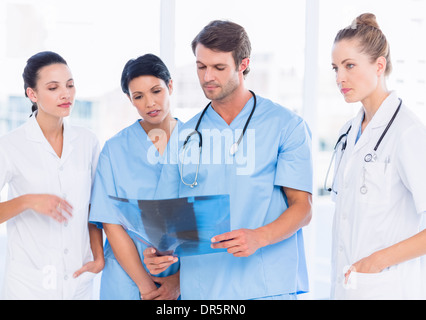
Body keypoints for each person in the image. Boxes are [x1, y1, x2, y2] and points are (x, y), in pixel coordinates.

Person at [144, 20, 313, 300]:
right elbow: (166, 220)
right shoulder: (184, 136)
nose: (207, 76)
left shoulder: (285, 126)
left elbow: (303, 208)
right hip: (203, 289)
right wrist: (159, 257)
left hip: (266, 286)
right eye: (201, 66)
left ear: (243, 64)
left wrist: (260, 237)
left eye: (219, 68)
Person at [0, 51, 104, 299]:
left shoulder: (87, 141)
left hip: (79, 280)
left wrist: (98, 255)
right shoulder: (7, 147)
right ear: (32, 94)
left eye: (70, 85)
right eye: (53, 87)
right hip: (29, 285)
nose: (66, 94)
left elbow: (94, 206)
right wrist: (27, 201)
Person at [329, 13, 426, 299]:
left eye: (349, 66)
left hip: (388, 288)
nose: (339, 78)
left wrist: (377, 261)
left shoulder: (408, 133)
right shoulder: (348, 132)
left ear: (379, 65)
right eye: (335, 68)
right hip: (347, 288)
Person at [89, 53, 181, 300]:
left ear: (170, 86)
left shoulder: (199, 142)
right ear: (130, 100)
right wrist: (146, 287)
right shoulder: (115, 149)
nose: (150, 103)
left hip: (185, 273)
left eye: (156, 91)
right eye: (138, 96)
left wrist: (179, 282)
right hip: (127, 276)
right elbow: (111, 222)